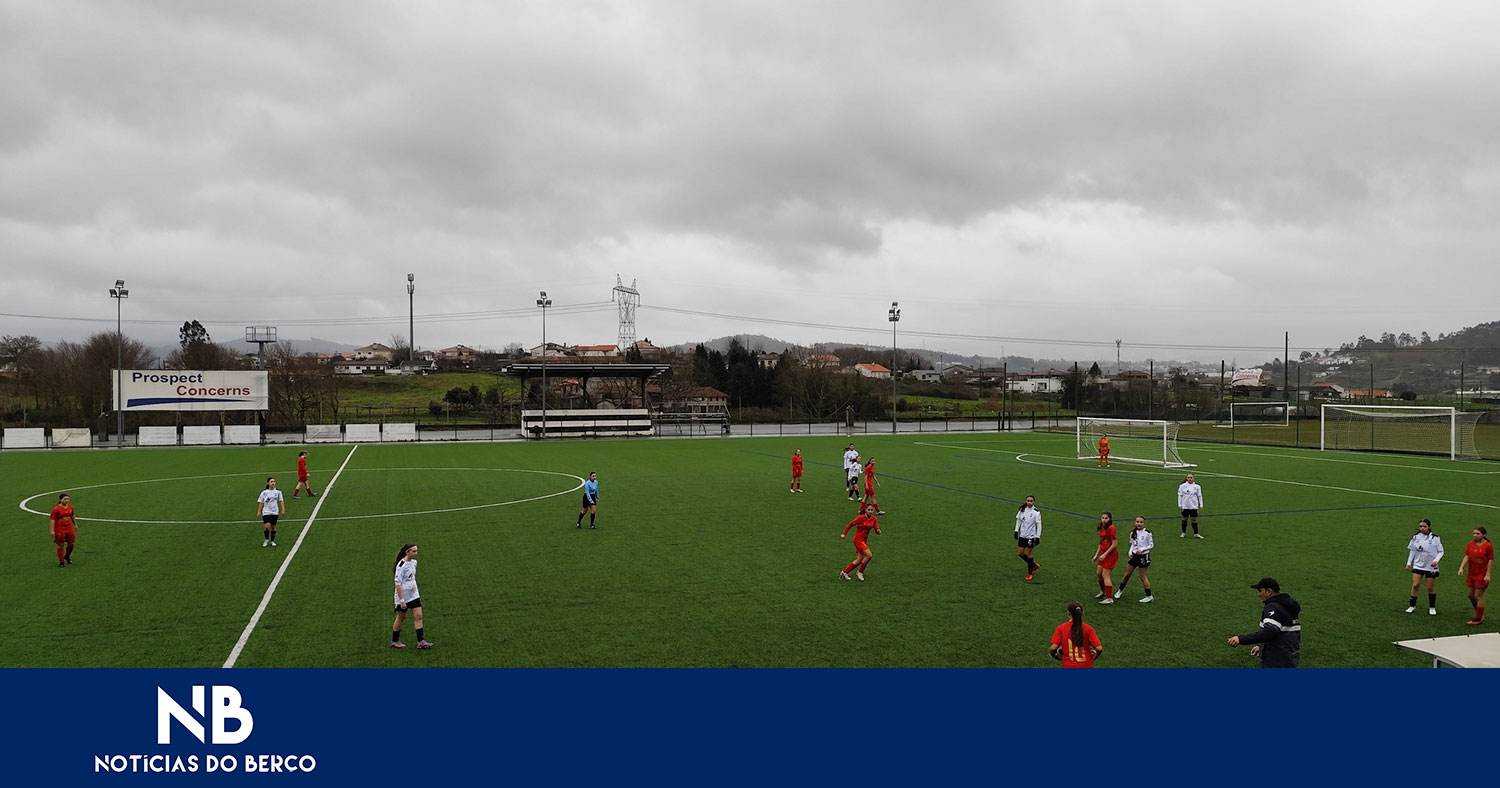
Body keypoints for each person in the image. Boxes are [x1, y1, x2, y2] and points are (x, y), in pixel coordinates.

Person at [1228, 577, 1301, 667]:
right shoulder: (1287, 606)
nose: (1258, 594)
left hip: (1276, 661)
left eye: (1260, 591)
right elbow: (1283, 632)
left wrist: (1240, 639)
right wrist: (1261, 646)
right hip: (1290, 657)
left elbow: (1270, 632)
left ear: (1269, 591)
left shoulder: (1273, 607)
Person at [391, 543, 433, 649]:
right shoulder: (401, 565)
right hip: (403, 596)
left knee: (419, 616)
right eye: (414, 551)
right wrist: (401, 600)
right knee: (401, 617)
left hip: (414, 594)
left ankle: (421, 641)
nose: (416, 553)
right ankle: (395, 641)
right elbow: (398, 583)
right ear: (407, 552)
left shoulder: (414, 563)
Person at [1405, 518, 1444, 615]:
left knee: (1430, 587)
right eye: (1421, 526)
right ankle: (1412, 606)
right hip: (1418, 565)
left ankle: (1432, 607)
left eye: (1424, 526)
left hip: (1430, 566)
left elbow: (1441, 551)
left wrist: (1436, 560)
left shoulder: (1435, 538)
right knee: (1415, 585)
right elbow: (1412, 550)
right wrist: (1409, 562)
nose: (1422, 528)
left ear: (1429, 527)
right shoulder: (1415, 537)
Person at [1049, 601, 1103, 668]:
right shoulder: (1088, 629)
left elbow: (1053, 648)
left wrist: (1056, 656)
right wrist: (1094, 657)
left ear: (1068, 613)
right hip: (1086, 665)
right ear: (1082, 613)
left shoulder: (1061, 628)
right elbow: (1099, 648)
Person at [1457, 526, 1492, 626]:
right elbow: (1467, 556)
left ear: (1483, 535)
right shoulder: (1471, 544)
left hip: (1482, 574)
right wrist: (1461, 568)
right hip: (1472, 573)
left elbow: (1490, 560)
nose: (1475, 535)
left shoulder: (1488, 546)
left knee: (1478, 596)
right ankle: (1479, 613)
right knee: (1470, 595)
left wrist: (1488, 574)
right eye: (1474, 533)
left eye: (1478, 534)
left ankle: (1478, 618)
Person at [1115, 516, 1155, 603]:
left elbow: (1151, 545)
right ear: (1135, 522)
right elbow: (1133, 544)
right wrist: (1130, 552)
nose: (1139, 524)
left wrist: (1142, 549)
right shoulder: (1132, 533)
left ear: (1144, 523)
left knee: (1142, 577)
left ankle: (1149, 596)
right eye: (1137, 522)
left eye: (1141, 522)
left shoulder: (1147, 533)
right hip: (1134, 556)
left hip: (1143, 557)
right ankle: (1119, 591)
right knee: (1127, 575)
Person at [840, 502, 881, 581]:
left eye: (872, 510)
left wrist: (878, 531)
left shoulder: (874, 519)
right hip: (858, 540)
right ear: (865, 510)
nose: (870, 511)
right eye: (869, 510)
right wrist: (844, 534)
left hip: (864, 540)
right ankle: (860, 572)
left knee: (859, 559)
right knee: (869, 555)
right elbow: (851, 524)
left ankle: (844, 572)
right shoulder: (861, 518)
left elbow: (876, 528)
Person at [1092, 511, 1119, 604]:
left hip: (1111, 555)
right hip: (1103, 554)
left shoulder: (1111, 528)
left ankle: (1109, 598)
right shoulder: (1102, 527)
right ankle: (1103, 591)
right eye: (1102, 518)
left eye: (1106, 518)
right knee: (1099, 574)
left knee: (1105, 575)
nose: (1104, 520)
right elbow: (1101, 543)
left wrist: (1105, 554)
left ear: (1110, 519)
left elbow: (1114, 544)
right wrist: (1096, 555)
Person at [1013, 495, 1042, 581]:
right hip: (1022, 536)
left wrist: (1037, 537)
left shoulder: (1036, 513)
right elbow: (1018, 520)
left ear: (1034, 502)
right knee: (1020, 553)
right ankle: (1034, 565)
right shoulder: (1022, 510)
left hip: (1031, 537)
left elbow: (1039, 525)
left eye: (1031, 501)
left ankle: (1030, 573)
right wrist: (1016, 530)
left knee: (1028, 554)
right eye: (1028, 501)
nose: (1029, 502)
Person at [49, 493, 77, 567]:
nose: (67, 500)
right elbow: (52, 519)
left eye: (68, 499)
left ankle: (67, 556)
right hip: (59, 528)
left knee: (71, 544)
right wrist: (52, 530)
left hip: (69, 527)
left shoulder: (70, 507)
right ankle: (61, 562)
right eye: (65, 499)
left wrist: (75, 524)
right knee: (60, 544)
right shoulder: (56, 509)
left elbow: (72, 515)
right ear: (60, 500)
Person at [256, 477, 284, 547]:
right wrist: (259, 511)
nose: (273, 483)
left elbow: (281, 501)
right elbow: (261, 502)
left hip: (275, 512)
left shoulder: (278, 492)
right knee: (267, 526)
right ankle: (266, 539)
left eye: (274, 481)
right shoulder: (264, 493)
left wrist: (283, 509)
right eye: (271, 482)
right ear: (268, 483)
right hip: (266, 512)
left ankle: (272, 541)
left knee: (273, 527)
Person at [1177, 473, 1204, 539]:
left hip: (1193, 506)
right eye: (1188, 477)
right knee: (1184, 519)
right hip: (1185, 505)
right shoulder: (1182, 486)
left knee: (1194, 520)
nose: (1190, 479)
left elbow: (1199, 496)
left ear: (1193, 478)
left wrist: (1201, 504)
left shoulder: (1197, 486)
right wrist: (1179, 504)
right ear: (1186, 478)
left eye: (1191, 477)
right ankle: (1183, 533)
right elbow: (1180, 495)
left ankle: (1196, 533)